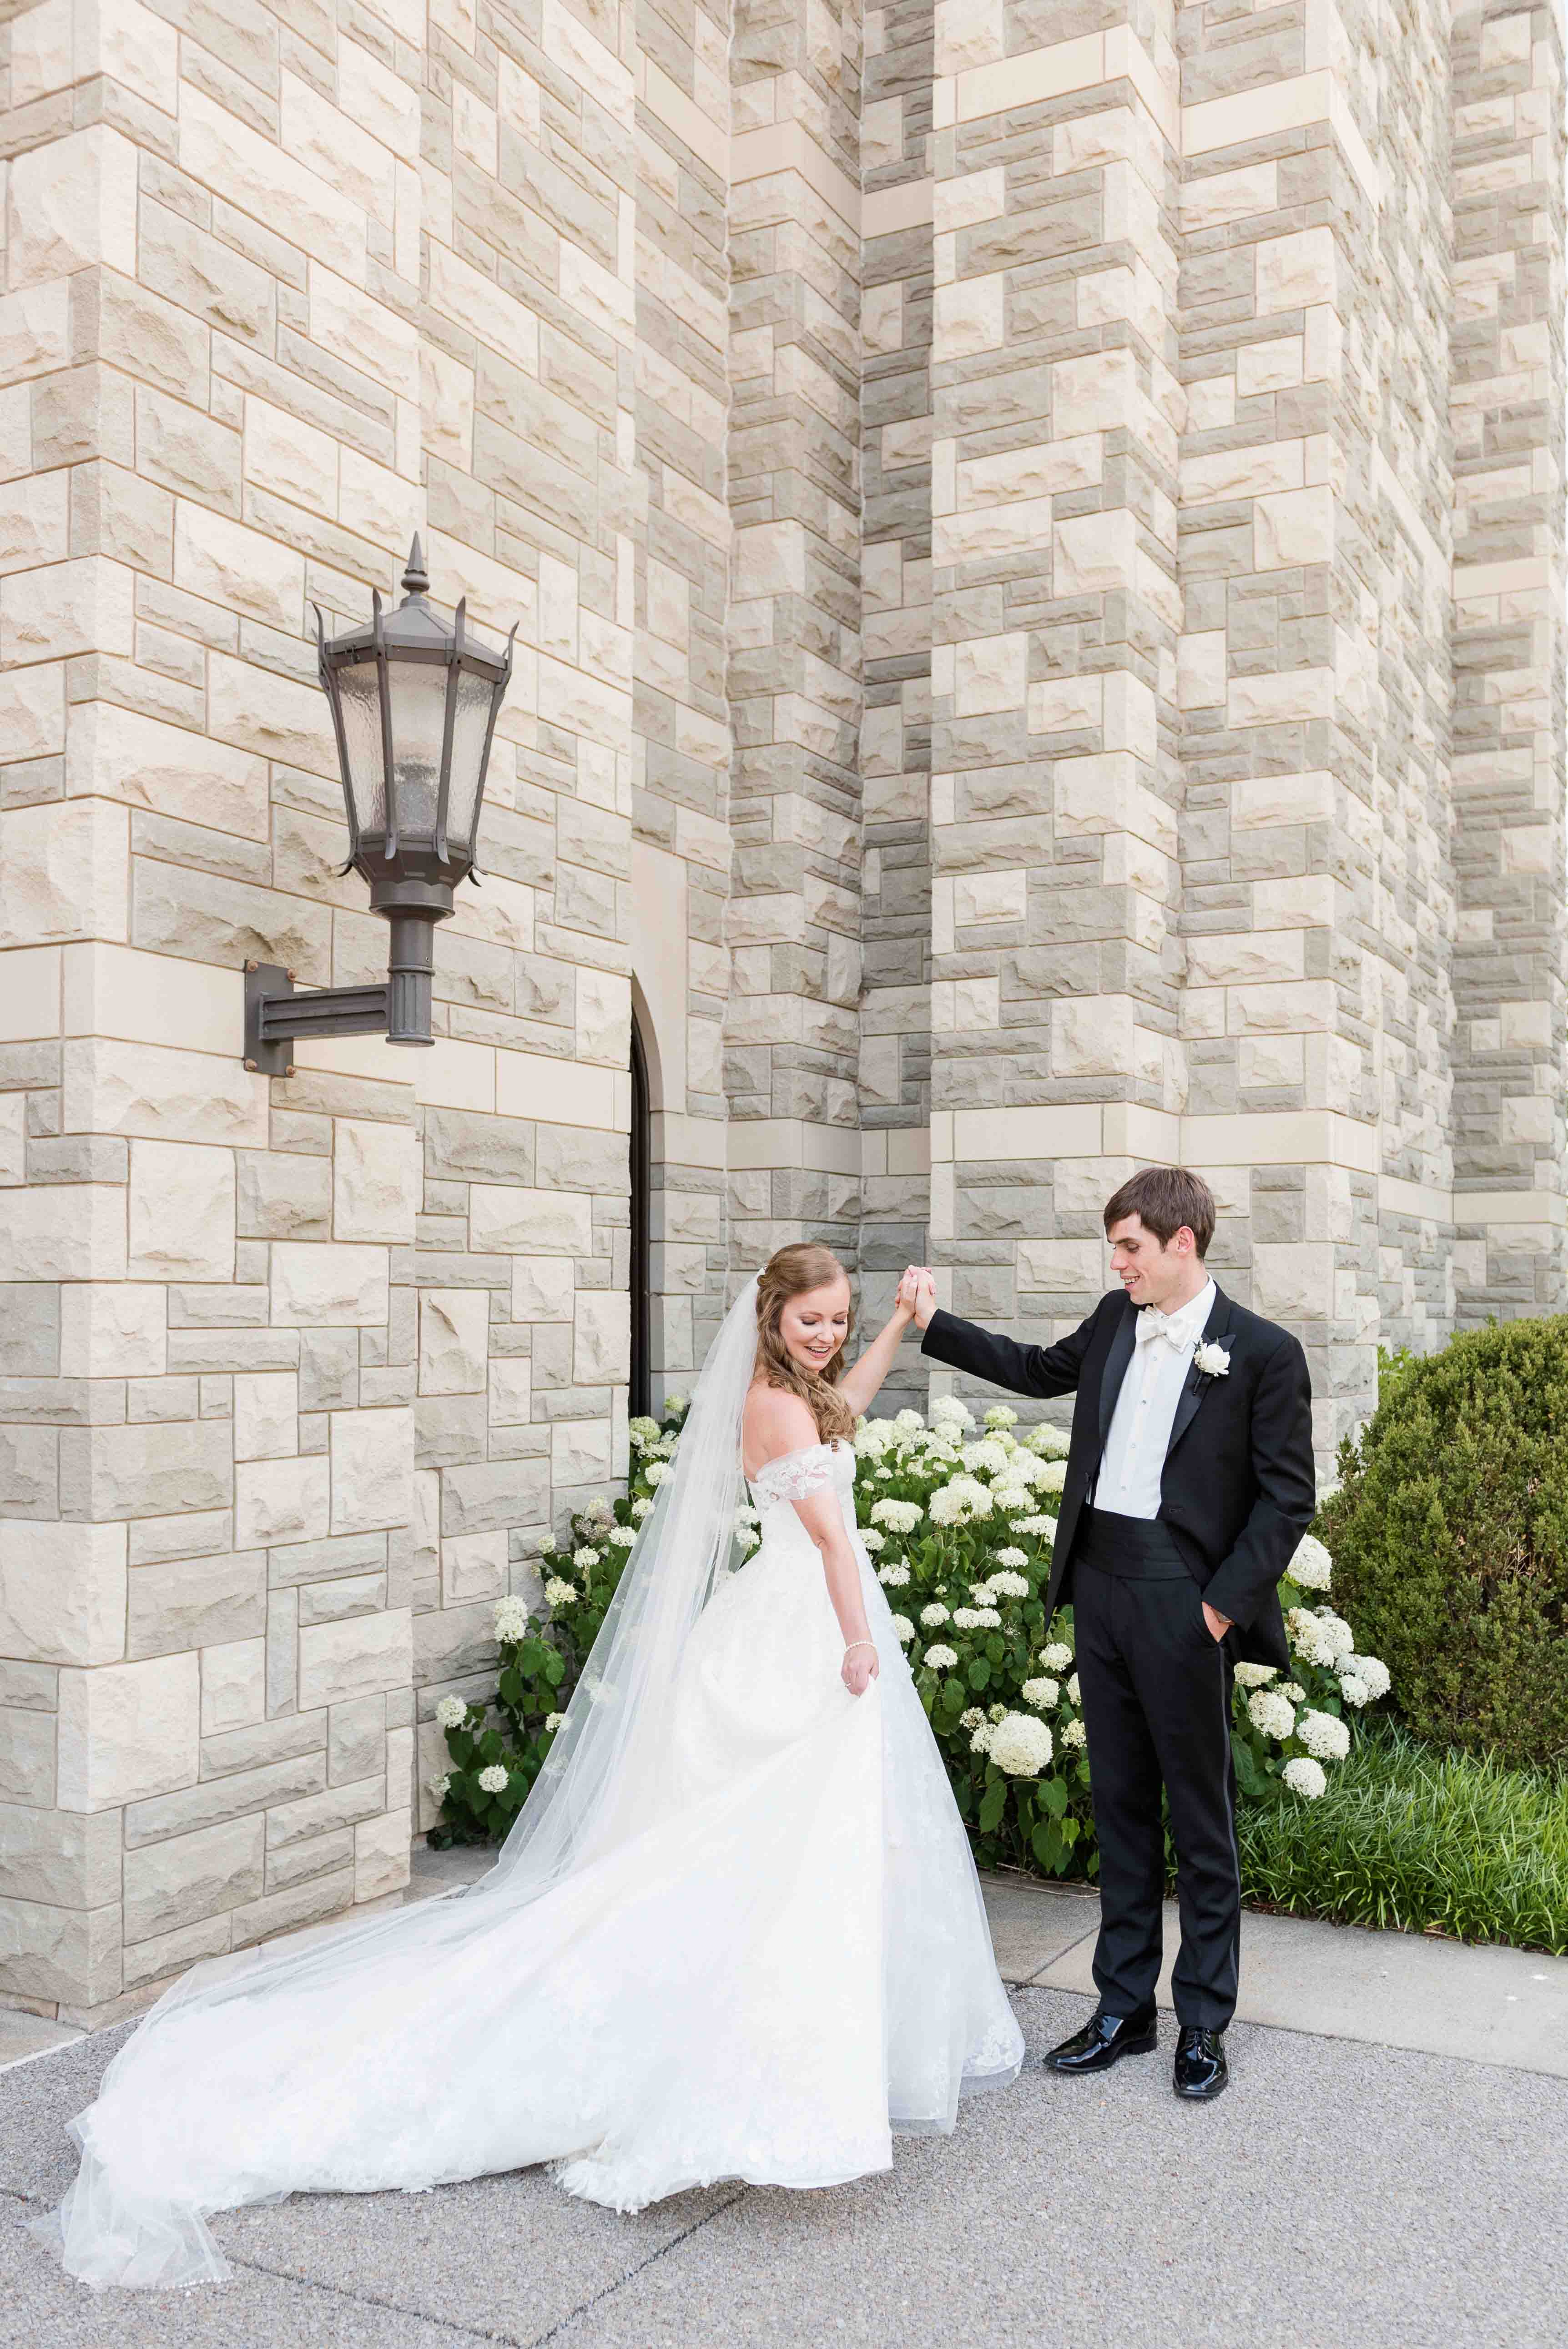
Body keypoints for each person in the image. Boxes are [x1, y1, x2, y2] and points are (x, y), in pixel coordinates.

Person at [34, 1245, 1022, 2290]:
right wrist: (858, 1643)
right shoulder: (773, 1409)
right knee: (773, 1845)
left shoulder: (796, 1394)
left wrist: (894, 1332)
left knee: (782, 1852)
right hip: (805, 1632)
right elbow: (828, 1541)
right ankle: (750, 2067)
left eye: (837, 1320)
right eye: (811, 1320)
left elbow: (843, 1416)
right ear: (772, 1317)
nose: (825, 1336)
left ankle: (779, 2041)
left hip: (790, 1627)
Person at [908, 1167, 1315, 2101]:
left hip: (1186, 1595)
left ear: (1182, 1243)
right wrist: (934, 1326)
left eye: (1128, 1245)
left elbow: (1286, 1495)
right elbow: (1035, 1370)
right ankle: (1122, 2006)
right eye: (1114, 1246)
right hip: (1100, 1582)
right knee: (1120, 1803)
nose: (1116, 1260)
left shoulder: (1260, 1350)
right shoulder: (1109, 1317)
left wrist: (1215, 1607)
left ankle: (1201, 2021)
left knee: (1199, 1816)